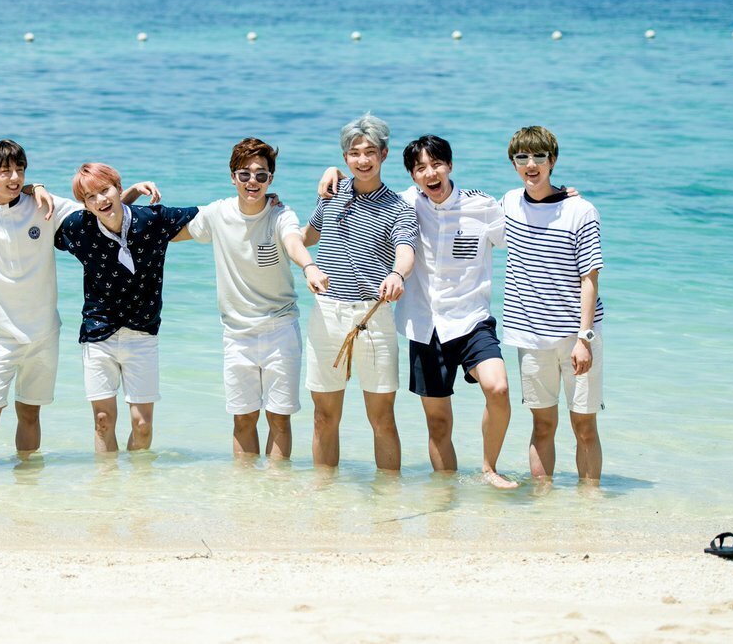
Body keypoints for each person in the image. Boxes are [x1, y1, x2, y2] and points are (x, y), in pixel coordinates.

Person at [318, 135, 518, 487]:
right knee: (438, 424)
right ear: (412, 175)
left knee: (498, 388)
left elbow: (523, 229)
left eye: (437, 164)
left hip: (472, 321)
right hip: (425, 327)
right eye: (421, 168)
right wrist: (334, 170)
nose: (430, 173)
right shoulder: (406, 204)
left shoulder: (483, 206)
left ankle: (489, 468)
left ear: (450, 166)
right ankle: (444, 495)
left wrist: (557, 196)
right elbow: (365, 182)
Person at [0, 142, 157, 468]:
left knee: (29, 413)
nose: (15, 178)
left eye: (20, 170)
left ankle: (27, 484)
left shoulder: (43, 205)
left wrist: (129, 192)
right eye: (5, 172)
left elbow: (99, 214)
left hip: (43, 332)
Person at [176, 138, 329, 460]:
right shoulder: (217, 213)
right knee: (243, 419)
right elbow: (172, 231)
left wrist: (309, 266)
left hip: (280, 330)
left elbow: (293, 241)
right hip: (236, 335)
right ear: (233, 177)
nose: (252, 182)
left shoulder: (280, 214)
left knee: (279, 419)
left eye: (261, 175)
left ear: (270, 179)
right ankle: (245, 490)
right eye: (245, 174)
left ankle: (275, 487)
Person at [54, 164, 197, 454]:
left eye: (105, 190)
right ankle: (107, 482)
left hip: (142, 333)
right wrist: (33, 187)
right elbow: (33, 218)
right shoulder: (79, 227)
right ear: (84, 204)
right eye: (90, 197)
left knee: (142, 425)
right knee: (103, 421)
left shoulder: (151, 220)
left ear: (118, 188)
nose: (99, 200)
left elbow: (207, 216)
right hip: (98, 333)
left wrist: (260, 203)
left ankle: (138, 481)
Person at [302, 114, 418, 471]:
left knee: (382, 419)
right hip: (326, 315)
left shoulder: (399, 207)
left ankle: (389, 494)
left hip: (372, 318)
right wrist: (274, 215)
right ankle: (325, 494)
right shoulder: (331, 195)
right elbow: (306, 237)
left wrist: (397, 274)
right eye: (354, 153)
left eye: (370, 152)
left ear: (384, 154)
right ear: (345, 158)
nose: (363, 160)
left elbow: (406, 250)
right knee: (323, 417)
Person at [502, 126, 605, 484]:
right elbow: (454, 205)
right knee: (542, 425)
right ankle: (542, 503)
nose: (531, 165)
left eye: (539, 157)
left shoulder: (581, 210)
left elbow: (589, 278)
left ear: (553, 160)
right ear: (514, 164)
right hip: (530, 337)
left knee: (584, 426)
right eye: (522, 157)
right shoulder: (509, 203)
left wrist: (584, 339)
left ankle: (589, 503)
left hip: (576, 337)